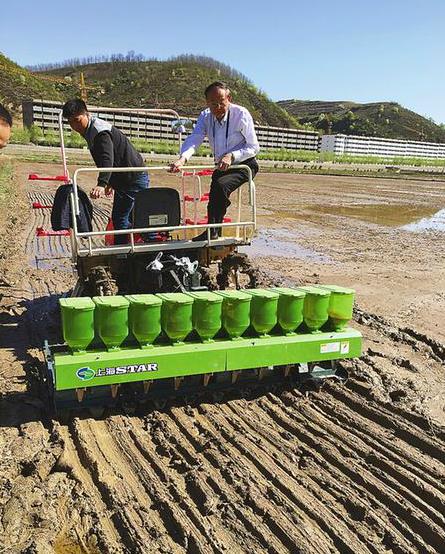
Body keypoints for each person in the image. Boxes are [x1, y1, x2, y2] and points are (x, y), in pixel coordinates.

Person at [170, 81, 260, 241]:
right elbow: (195, 138)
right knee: (215, 193)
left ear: (229, 98)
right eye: (213, 103)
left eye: (221, 102)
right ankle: (212, 231)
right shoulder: (205, 116)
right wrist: (182, 159)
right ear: (207, 102)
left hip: (244, 164)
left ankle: (213, 232)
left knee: (221, 186)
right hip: (222, 165)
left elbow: (253, 147)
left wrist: (232, 156)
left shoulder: (241, 114)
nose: (217, 107)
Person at [62, 99, 149, 244]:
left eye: (77, 120)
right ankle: (134, 248)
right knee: (131, 217)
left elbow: (107, 158)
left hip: (132, 178)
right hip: (127, 177)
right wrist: (111, 183)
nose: (75, 126)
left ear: (86, 114)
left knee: (122, 218)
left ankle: (124, 255)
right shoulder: (91, 129)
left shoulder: (99, 132)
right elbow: (115, 158)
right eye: (71, 123)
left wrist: (102, 184)